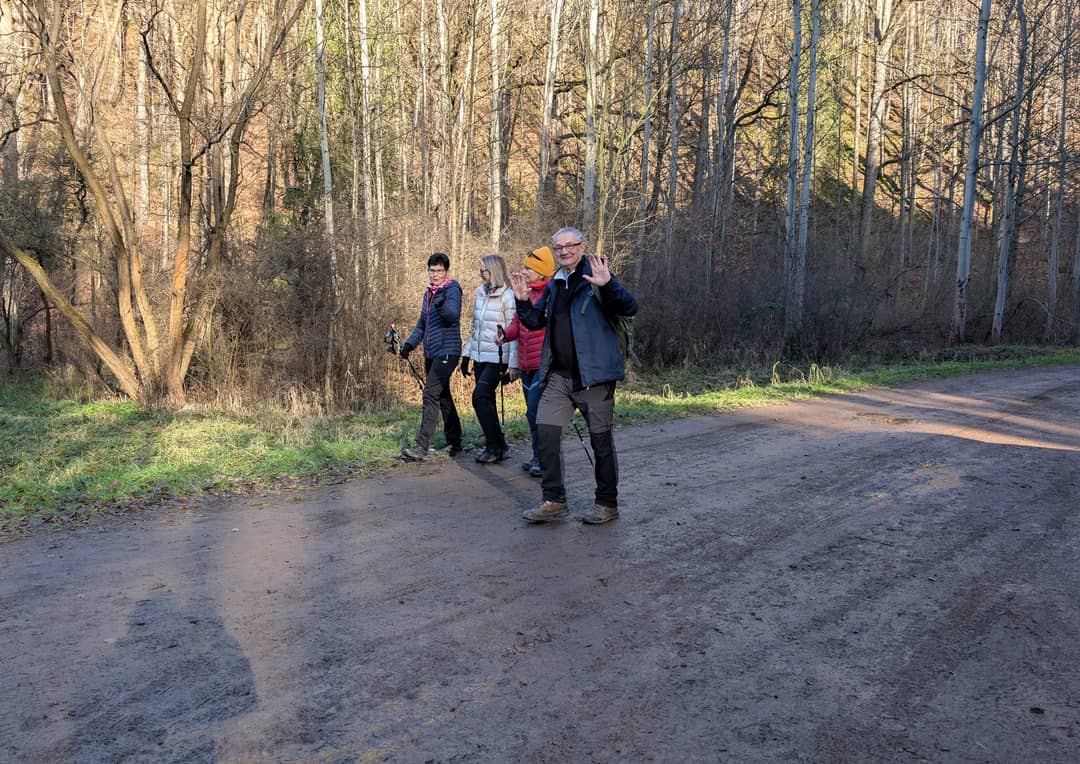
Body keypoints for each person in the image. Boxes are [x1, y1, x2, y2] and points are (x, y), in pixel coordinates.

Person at [509, 227, 638, 524]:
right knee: (546, 431)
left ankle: (607, 503)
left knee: (600, 441)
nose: (564, 251)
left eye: (571, 245)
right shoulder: (555, 283)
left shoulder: (596, 275)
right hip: (560, 377)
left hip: (594, 378)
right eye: (559, 247)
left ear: (582, 246)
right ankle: (554, 500)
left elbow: (630, 307)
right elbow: (534, 321)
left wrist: (608, 285)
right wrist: (522, 301)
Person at [400, 252, 463, 461]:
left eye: (439, 271)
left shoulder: (452, 289)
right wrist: (409, 344)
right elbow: (422, 324)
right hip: (432, 351)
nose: (435, 274)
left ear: (446, 271)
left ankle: (422, 446)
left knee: (430, 394)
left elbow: (452, 315)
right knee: (443, 395)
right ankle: (455, 441)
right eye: (432, 270)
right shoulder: (428, 293)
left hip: (448, 351)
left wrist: (441, 304)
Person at [501, 246, 555, 477]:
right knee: (531, 413)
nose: (524, 271)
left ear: (541, 272)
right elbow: (517, 323)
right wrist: (504, 335)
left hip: (543, 364)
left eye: (528, 268)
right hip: (525, 364)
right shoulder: (526, 293)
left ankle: (544, 460)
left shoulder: (550, 294)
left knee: (535, 411)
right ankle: (537, 456)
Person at [461, 254, 519, 463]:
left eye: (483, 269)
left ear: (493, 271)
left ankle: (494, 446)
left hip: (498, 357)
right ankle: (498, 445)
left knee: (479, 397)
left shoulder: (508, 296)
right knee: (488, 401)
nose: (480, 273)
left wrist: (513, 365)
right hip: (480, 356)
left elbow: (514, 331)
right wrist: (466, 355)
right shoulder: (480, 293)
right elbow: (475, 328)